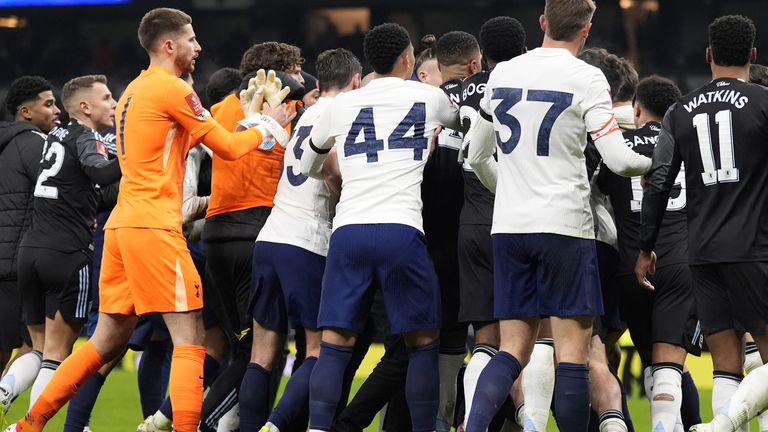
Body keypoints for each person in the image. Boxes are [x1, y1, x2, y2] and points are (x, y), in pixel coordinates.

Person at [4, 7, 293, 432]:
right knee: (190, 336)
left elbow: (203, 138)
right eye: (192, 39)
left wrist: (249, 118)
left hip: (121, 226)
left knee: (106, 339)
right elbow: (230, 149)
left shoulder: (132, 93)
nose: (200, 47)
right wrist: (271, 125)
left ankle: (28, 425)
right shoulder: (173, 90)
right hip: (154, 225)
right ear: (169, 44)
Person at [464, 0, 651, 430]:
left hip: (510, 228)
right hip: (566, 227)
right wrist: (656, 159)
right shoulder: (587, 77)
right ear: (586, 30)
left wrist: (509, 188)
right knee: (572, 355)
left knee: (511, 350)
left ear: (543, 22)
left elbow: (476, 154)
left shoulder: (505, 72)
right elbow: (620, 161)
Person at [301, 22, 459, 432]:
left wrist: (335, 172)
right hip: (402, 230)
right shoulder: (430, 97)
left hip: (349, 230)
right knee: (422, 343)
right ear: (408, 59)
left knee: (334, 344)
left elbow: (308, 164)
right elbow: (461, 127)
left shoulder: (341, 105)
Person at [635, 15, 768, 432]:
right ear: (752, 55)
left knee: (725, 364)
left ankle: (721, 424)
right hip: (755, 249)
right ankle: (726, 425)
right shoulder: (764, 102)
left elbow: (657, 182)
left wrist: (646, 246)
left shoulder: (679, 111)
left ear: (708, 55)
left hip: (702, 252)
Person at [238, 47, 361, 432]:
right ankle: (274, 426)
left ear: (319, 83)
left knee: (262, 353)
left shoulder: (307, 115)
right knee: (317, 350)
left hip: (271, 237)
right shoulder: (344, 113)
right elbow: (334, 170)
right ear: (355, 82)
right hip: (307, 242)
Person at [194, 41, 302, 432]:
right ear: (285, 71)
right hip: (259, 232)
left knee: (244, 345)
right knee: (259, 351)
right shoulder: (291, 108)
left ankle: (230, 424)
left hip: (218, 236)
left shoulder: (219, 109)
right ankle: (205, 424)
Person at [10, 74, 121, 419]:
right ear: (85, 108)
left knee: (37, 347)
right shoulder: (86, 136)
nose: (114, 104)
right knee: (57, 354)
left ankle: (2, 393)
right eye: (106, 98)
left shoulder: (54, 137)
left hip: (30, 252)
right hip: (67, 255)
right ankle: (31, 427)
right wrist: (139, 156)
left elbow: (90, 193)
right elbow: (102, 174)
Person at [596, 75, 695, 432]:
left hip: (630, 267)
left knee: (653, 365)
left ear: (637, 109)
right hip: (680, 263)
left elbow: (601, 191)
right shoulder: (688, 140)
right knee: (670, 370)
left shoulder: (618, 146)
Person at [456, 15, 527, 432]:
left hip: (471, 220)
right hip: (513, 217)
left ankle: (471, 422)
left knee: (485, 339)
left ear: (481, 55)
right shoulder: (523, 82)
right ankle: (525, 418)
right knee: (524, 340)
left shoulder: (467, 88)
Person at [0, 75, 60, 422]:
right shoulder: (36, 144)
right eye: (48, 104)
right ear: (26, 111)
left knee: (23, 344)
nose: (55, 111)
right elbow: (58, 190)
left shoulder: (6, 144)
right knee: (41, 345)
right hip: (21, 258)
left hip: (5, 256)